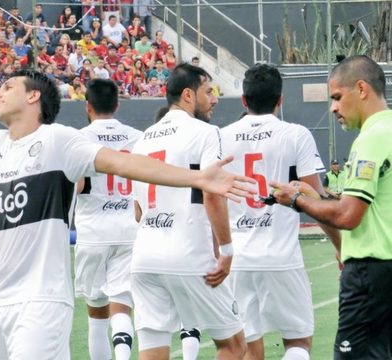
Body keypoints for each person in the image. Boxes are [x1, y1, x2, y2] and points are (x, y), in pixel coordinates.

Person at [0, 69, 255, 359]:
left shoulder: (60, 141)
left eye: (8, 86)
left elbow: (126, 164)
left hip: (40, 299)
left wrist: (196, 177)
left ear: (32, 96)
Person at [271, 55, 392, 359]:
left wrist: (298, 201)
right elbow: (372, 204)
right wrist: (315, 195)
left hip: (370, 273)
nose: (333, 107)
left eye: (337, 97)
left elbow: (349, 216)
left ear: (361, 89)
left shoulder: (372, 138)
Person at [221, 64, 341, 360]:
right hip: (281, 257)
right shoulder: (296, 135)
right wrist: (341, 248)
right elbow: (316, 197)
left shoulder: (221, 136)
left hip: (239, 258)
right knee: (298, 342)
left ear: (244, 101)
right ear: (280, 100)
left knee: (249, 347)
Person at [130, 63, 246, 360]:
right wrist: (228, 250)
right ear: (188, 95)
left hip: (144, 257)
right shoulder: (206, 133)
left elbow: (138, 212)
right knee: (233, 345)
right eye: (209, 92)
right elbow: (212, 192)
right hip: (188, 255)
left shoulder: (142, 140)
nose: (215, 99)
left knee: (153, 352)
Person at [74, 79, 141, 360]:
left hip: (92, 231)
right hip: (129, 229)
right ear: (117, 105)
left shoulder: (78, 138)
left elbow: (76, 185)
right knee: (122, 305)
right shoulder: (138, 137)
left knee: (96, 313)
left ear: (88, 106)